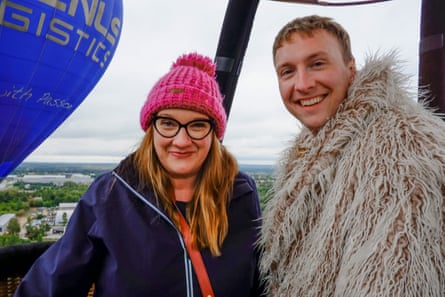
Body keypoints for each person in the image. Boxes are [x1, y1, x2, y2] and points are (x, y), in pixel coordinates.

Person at [14, 53, 263, 297]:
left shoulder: (241, 193)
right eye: (168, 123)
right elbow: (52, 283)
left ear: (214, 132)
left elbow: (261, 281)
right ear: (150, 128)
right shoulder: (110, 195)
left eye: (198, 125)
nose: (181, 140)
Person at [259, 15, 445, 297]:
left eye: (317, 64)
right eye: (287, 71)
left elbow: (393, 282)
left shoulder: (401, 148)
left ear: (351, 70)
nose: (303, 84)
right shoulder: (312, 147)